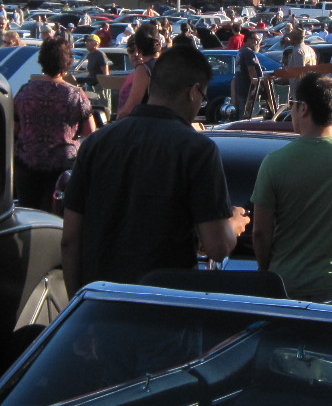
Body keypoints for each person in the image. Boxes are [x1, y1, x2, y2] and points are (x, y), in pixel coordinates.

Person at [61, 45, 243, 292]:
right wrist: (233, 224)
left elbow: (70, 240)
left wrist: (77, 303)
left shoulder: (96, 142)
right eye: (204, 97)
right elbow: (217, 247)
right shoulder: (198, 149)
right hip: (163, 306)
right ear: (193, 92)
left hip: (100, 303)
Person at [251, 73, 332, 301]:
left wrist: (265, 269)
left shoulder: (274, 162)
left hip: (287, 283)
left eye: (292, 105)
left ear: (303, 109)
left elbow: (260, 233)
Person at [14, 37, 97, 212]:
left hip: (27, 166)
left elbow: (14, 128)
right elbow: (91, 133)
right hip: (62, 169)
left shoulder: (25, 91)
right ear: (67, 63)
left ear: (42, 61)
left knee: (29, 216)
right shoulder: (76, 95)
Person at [231, 31, 264, 117]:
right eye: (256, 40)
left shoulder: (241, 51)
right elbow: (251, 69)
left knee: (243, 111)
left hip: (241, 88)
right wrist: (256, 87)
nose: (258, 43)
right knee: (247, 114)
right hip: (247, 89)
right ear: (249, 40)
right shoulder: (248, 52)